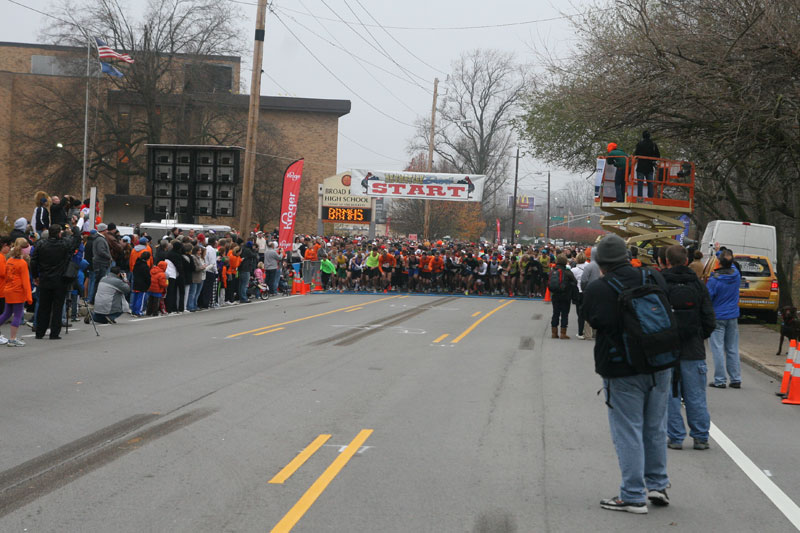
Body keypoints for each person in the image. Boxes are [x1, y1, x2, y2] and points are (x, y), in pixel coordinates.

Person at [583, 234, 671, 514]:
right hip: (660, 362)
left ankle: (633, 494)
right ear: (626, 255)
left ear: (600, 262)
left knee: (628, 429)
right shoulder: (652, 277)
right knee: (655, 426)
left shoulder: (599, 287)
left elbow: (594, 320)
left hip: (622, 367)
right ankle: (657, 484)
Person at [662, 245, 716, 450]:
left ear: (667, 261)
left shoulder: (661, 283)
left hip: (667, 349)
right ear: (686, 261)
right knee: (696, 396)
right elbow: (709, 319)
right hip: (693, 349)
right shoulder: (698, 285)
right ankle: (700, 436)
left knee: (670, 397)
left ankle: (675, 437)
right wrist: (698, 335)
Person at [30, 223, 79, 340]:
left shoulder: (41, 244)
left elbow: (33, 262)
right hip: (60, 280)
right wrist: (76, 227)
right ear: (59, 233)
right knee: (57, 307)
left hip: (45, 278)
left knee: (43, 306)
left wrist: (36, 276)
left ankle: (40, 332)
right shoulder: (64, 245)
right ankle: (54, 333)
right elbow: (76, 241)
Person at [707, 249, 742, 388]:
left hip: (718, 316)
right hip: (733, 315)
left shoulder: (714, 279)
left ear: (719, 263)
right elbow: (730, 262)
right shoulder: (736, 275)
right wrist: (719, 252)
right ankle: (736, 378)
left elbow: (708, 298)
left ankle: (720, 380)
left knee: (718, 348)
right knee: (732, 348)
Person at [0, 238, 33, 346]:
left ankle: (12, 338)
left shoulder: (9, 261)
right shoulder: (22, 263)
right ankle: (13, 338)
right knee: (18, 315)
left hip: (8, 290)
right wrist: (29, 297)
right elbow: (25, 282)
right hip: (18, 292)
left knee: (6, 313)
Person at [549, 255, 577, 339]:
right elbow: (574, 282)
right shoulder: (567, 272)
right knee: (564, 314)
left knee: (555, 313)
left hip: (555, 295)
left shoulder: (553, 271)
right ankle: (563, 333)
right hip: (565, 296)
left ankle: (554, 333)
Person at [633, 131, 660, 199]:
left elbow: (635, 154)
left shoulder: (639, 144)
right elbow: (658, 156)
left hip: (641, 166)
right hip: (649, 167)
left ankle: (639, 197)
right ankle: (650, 197)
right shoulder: (653, 144)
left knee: (640, 183)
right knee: (650, 183)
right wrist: (652, 160)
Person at [90, 224, 112, 303]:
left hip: (99, 263)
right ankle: (94, 300)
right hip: (101, 263)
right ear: (103, 230)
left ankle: (93, 299)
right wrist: (109, 256)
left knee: (97, 281)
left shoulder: (99, 239)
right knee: (99, 282)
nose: (107, 231)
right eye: (106, 230)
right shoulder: (100, 239)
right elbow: (101, 251)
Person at [572, 252, 589, 339]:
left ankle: (580, 332)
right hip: (588, 291)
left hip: (578, 292)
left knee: (580, 313)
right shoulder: (589, 268)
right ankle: (589, 332)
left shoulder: (574, 270)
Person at [131, 251, 152, 317]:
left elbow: (134, 272)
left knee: (135, 297)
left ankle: (133, 311)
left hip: (136, 283)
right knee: (141, 299)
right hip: (142, 284)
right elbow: (147, 277)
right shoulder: (145, 266)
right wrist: (148, 284)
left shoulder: (136, 264)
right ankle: (138, 311)